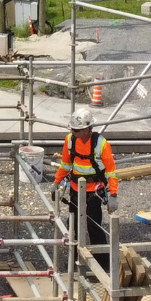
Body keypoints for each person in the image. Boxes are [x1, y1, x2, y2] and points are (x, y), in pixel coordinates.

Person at [53, 108, 117, 256]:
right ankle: (74, 261)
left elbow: (111, 171)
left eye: (76, 130)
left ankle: (102, 262)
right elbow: (65, 165)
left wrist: (113, 195)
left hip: (95, 191)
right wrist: (56, 182)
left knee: (93, 225)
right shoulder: (70, 140)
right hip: (75, 189)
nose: (73, 132)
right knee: (73, 225)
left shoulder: (101, 144)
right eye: (72, 129)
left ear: (87, 129)